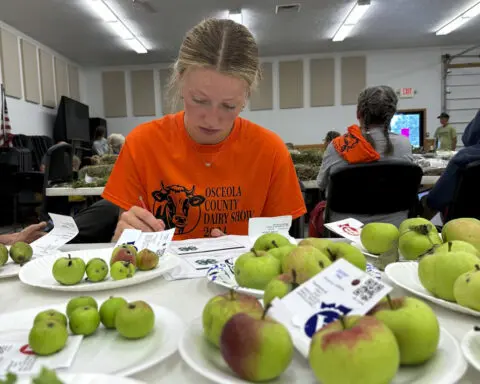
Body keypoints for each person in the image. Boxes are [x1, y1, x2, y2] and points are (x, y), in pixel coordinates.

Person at [102, 18, 306, 241]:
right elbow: (125, 249)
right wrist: (122, 238)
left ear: (246, 96)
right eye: (199, 100)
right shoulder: (142, 144)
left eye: (229, 106)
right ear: (180, 81)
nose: (211, 120)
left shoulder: (270, 151)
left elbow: (281, 250)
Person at [314, 85, 413, 229]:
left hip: (346, 229)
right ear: (391, 114)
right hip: (394, 228)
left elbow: (321, 184)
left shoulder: (337, 146)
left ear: (358, 113)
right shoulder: (403, 144)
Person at [422, 109, 480, 219]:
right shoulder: (439, 129)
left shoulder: (464, 158)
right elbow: (434, 140)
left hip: (464, 224)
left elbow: (436, 199)